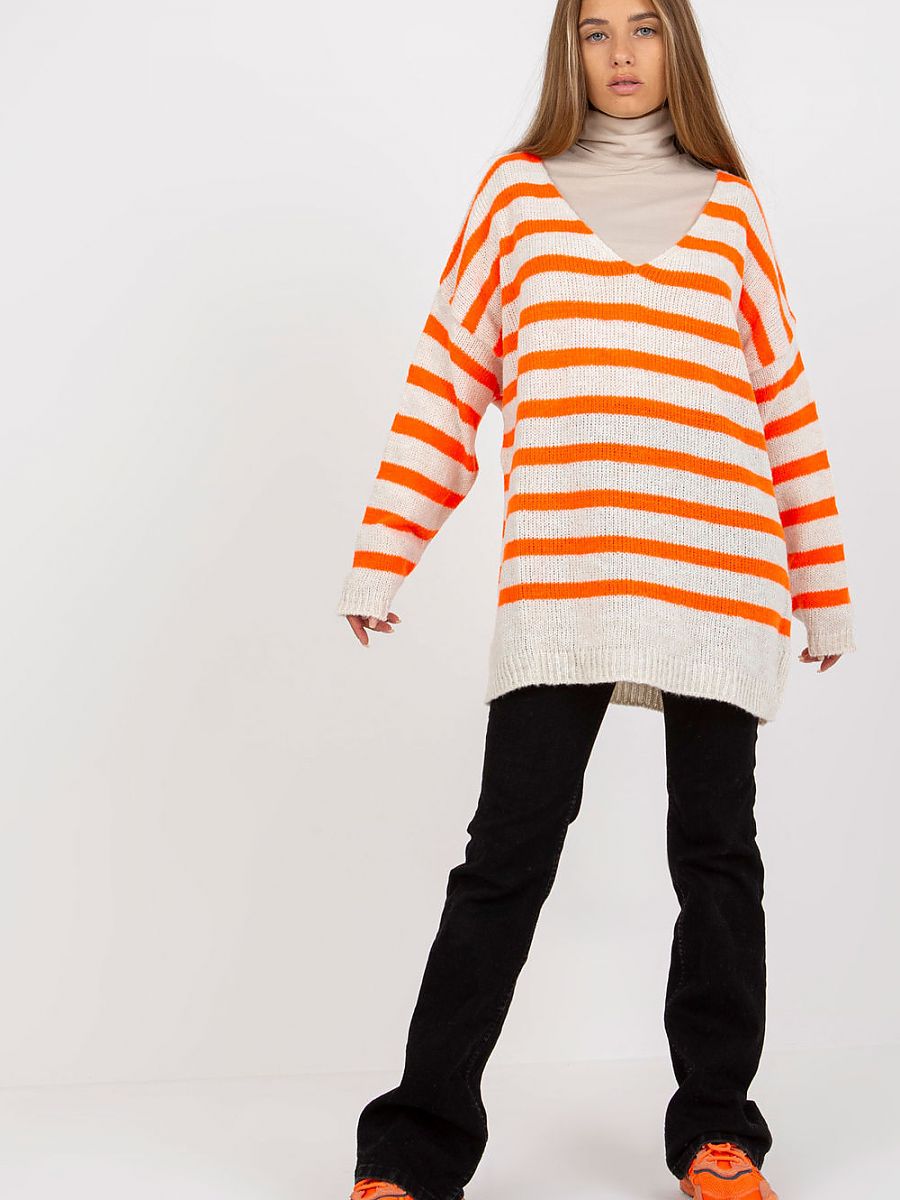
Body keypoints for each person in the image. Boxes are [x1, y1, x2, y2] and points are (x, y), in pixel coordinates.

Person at [335, 1, 855, 1197]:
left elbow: (783, 403)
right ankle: (413, 1149)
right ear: (568, 50)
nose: (621, 55)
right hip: (565, 578)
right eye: (595, 30)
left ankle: (718, 1133)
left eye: (646, 27)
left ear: (680, 46)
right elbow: (447, 382)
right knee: (504, 860)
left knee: (717, 860)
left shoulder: (732, 209)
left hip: (721, 578)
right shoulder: (515, 199)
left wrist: (823, 590)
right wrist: (383, 553)